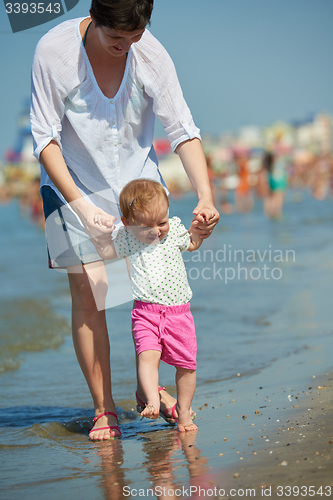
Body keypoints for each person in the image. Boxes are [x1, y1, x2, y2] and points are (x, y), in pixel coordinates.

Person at [30, 0, 219, 441]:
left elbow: (182, 130)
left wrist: (206, 197)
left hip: (138, 191)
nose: (126, 48)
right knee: (92, 292)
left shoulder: (149, 53)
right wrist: (80, 205)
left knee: (146, 288)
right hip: (69, 182)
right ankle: (104, 408)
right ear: (93, 19)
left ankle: (145, 387)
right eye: (117, 39)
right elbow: (44, 139)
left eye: (134, 38)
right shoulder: (53, 52)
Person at [94, 179, 202, 432]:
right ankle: (152, 399)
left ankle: (184, 412)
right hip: (145, 313)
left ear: (168, 215)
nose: (155, 231)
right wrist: (99, 235)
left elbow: (193, 244)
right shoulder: (127, 237)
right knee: (147, 357)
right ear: (127, 223)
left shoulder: (174, 229)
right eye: (146, 227)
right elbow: (107, 252)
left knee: (186, 366)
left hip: (179, 314)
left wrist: (198, 229)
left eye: (161, 222)